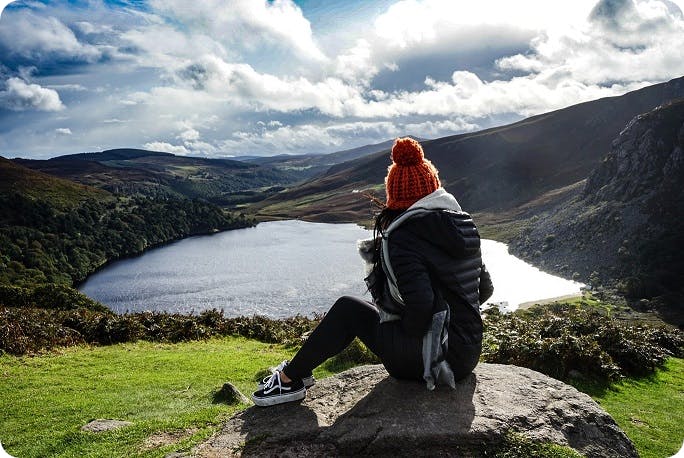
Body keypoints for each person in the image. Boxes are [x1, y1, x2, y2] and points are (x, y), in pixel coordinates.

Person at [252, 137, 494, 407]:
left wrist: (401, 324)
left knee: (349, 310)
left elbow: (422, 307)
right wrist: (447, 316)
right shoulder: (464, 225)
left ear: (396, 195)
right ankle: (299, 372)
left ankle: (289, 380)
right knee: (364, 311)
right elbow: (484, 289)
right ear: (433, 187)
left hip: (431, 361)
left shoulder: (404, 235)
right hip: (468, 354)